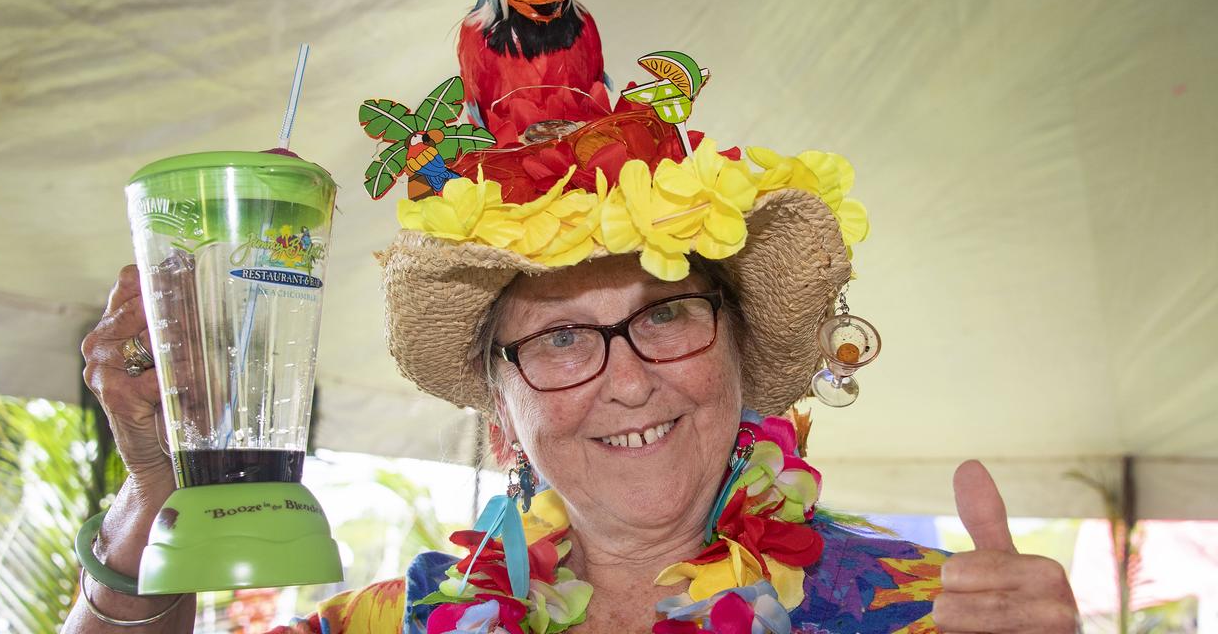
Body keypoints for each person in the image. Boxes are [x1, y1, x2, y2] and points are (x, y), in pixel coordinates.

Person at [64, 111, 1081, 632]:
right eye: (558, 340)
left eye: (667, 315)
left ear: (738, 358)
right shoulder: (401, 625)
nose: (627, 380)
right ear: (501, 419)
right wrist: (160, 494)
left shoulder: (921, 613)